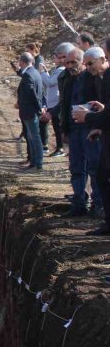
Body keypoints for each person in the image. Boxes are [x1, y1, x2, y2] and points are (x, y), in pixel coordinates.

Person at [60, 48, 102, 217]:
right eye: (67, 63)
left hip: (89, 128)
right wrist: (64, 129)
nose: (70, 66)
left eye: (73, 62)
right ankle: (79, 202)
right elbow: (64, 104)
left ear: (82, 62)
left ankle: (98, 204)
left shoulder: (93, 79)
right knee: (76, 167)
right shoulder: (67, 80)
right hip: (74, 129)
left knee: (94, 167)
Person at [72, 47, 110, 235]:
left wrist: (88, 118)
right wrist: (99, 124)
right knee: (102, 176)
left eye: (90, 63)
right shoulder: (101, 79)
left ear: (104, 58)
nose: (87, 68)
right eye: (85, 64)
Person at [40, 42, 74, 157]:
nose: (57, 59)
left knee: (58, 127)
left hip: (56, 103)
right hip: (54, 102)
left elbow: (50, 82)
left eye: (60, 57)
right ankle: (60, 147)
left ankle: (61, 148)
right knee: (56, 127)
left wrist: (43, 73)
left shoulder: (61, 71)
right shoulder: (59, 70)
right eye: (57, 57)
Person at [15, 52, 44, 170]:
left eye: (19, 61)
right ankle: (34, 161)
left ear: (22, 62)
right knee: (33, 136)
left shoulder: (27, 75)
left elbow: (31, 94)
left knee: (34, 137)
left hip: (29, 111)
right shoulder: (35, 72)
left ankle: (37, 163)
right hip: (31, 110)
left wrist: (38, 109)